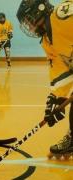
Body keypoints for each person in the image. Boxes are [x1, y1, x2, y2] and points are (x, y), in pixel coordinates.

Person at [17, 0, 73, 159]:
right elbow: (61, 70)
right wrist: (56, 98)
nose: (30, 27)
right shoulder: (48, 42)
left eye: (28, 21)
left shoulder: (61, 15)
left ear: (38, 12)